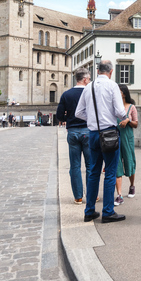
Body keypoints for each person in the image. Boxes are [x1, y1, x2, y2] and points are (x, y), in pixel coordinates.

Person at [75, 60, 126, 223]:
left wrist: (92, 119)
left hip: (93, 134)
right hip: (109, 133)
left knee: (93, 172)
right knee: (110, 172)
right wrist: (122, 117)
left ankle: (89, 210)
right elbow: (119, 111)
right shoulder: (112, 86)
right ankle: (108, 211)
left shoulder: (88, 87)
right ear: (111, 72)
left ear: (97, 71)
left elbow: (78, 112)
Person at [56, 68, 91, 205]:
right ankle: (92, 195)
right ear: (85, 79)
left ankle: (78, 197)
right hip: (88, 130)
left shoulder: (66, 94)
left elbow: (59, 115)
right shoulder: (90, 93)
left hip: (72, 131)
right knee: (90, 165)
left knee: (75, 165)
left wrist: (68, 118)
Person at [115, 84, 138, 206]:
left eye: (118, 91)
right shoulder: (114, 106)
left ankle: (132, 185)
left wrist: (128, 120)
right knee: (117, 165)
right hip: (115, 138)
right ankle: (119, 195)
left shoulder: (131, 107)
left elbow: (136, 124)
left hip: (127, 138)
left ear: (123, 93)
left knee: (129, 162)